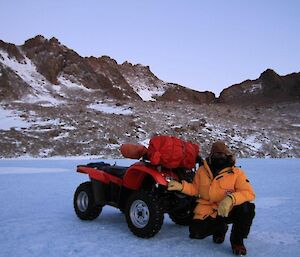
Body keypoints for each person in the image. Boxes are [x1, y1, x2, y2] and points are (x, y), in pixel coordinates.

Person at [168, 141, 255, 256]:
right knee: (196, 233)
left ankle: (237, 241)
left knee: (246, 208)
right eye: (216, 154)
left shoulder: (236, 173)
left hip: (229, 209)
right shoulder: (202, 171)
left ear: (227, 155)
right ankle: (220, 229)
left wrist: (230, 199)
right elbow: (195, 189)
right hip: (209, 209)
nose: (219, 157)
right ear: (211, 155)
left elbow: (248, 192)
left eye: (222, 154)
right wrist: (181, 186)